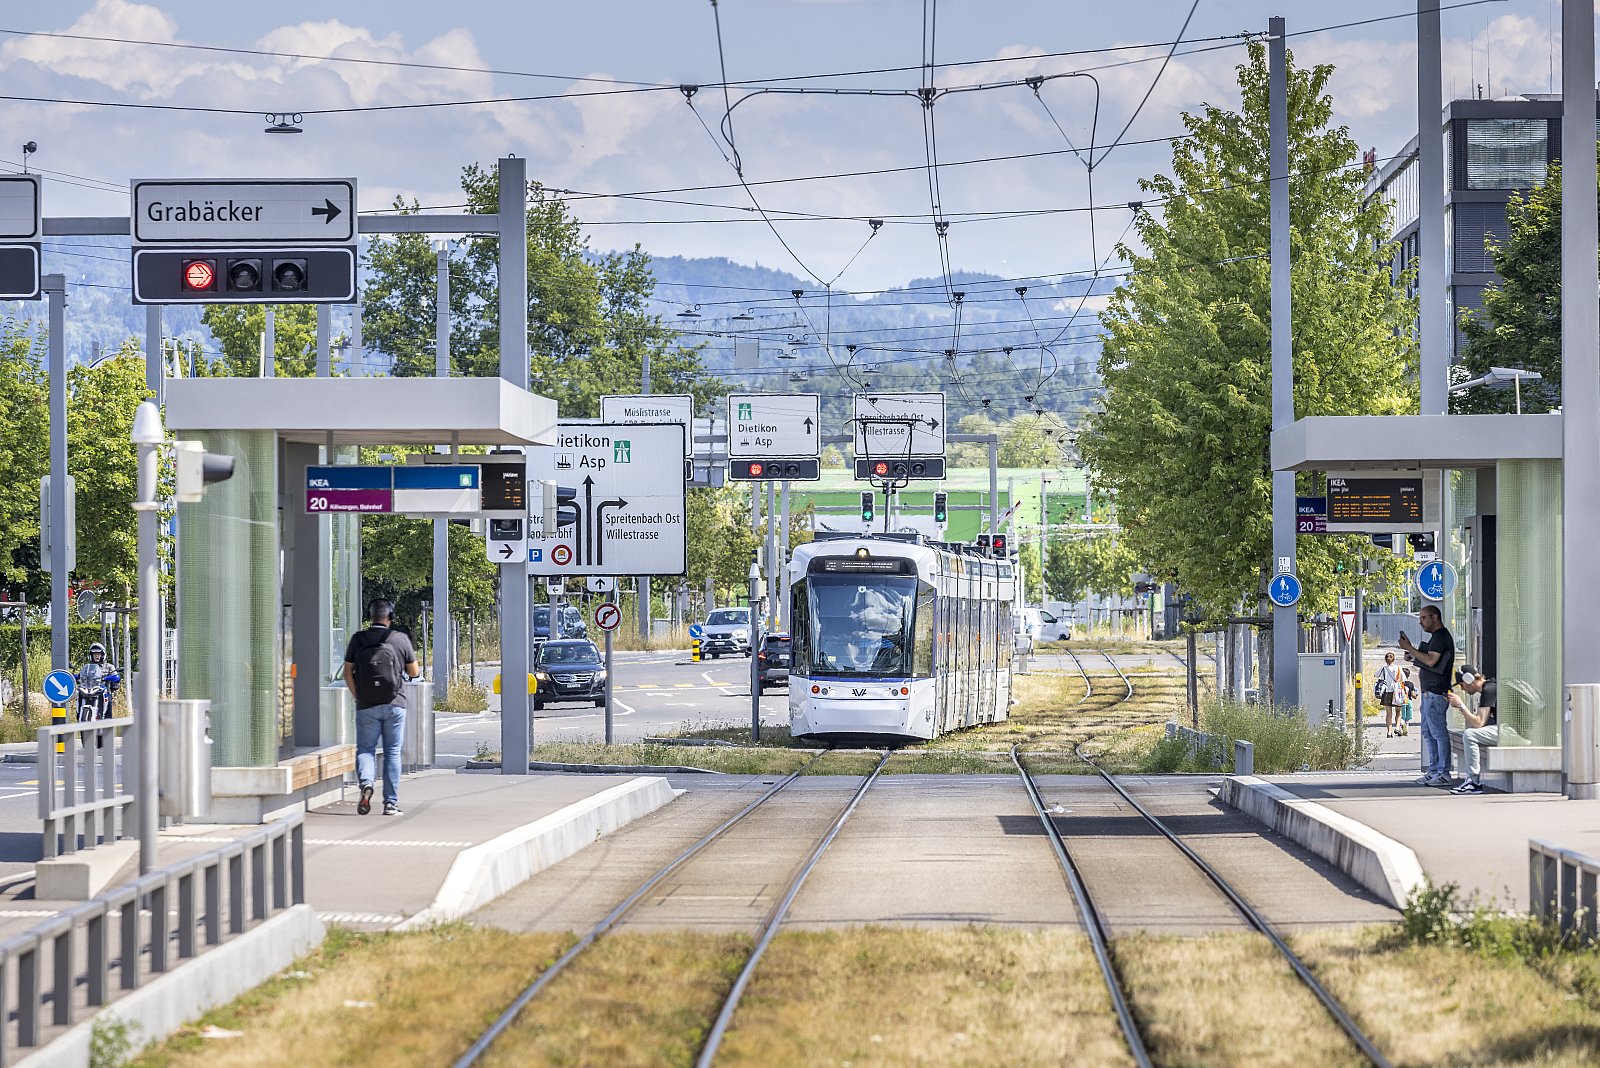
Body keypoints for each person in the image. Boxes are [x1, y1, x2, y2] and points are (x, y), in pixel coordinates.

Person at [343, 599, 420, 816]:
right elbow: (414, 672)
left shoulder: (358, 639)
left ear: (369, 617)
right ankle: (390, 804)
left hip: (366, 704)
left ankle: (367, 783)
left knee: (366, 749)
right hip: (395, 703)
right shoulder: (399, 639)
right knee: (392, 752)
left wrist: (358, 695)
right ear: (390, 617)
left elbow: (347, 672)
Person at [1398, 605, 1455, 787]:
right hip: (1429, 693)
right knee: (1428, 733)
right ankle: (1434, 771)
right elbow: (1429, 661)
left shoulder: (1440, 637)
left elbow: (1431, 660)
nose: (1420, 622)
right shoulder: (1436, 638)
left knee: (1438, 733)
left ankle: (1443, 772)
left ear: (1434, 617)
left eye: (1423, 618)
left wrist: (1410, 648)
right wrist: (1413, 656)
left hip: (1436, 692)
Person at [1447, 665, 1496, 795]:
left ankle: (1473, 782)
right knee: (1471, 733)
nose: (1462, 688)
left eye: (1462, 685)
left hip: (1513, 732)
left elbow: (1478, 723)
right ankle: (1472, 781)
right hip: (1510, 730)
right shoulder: (1490, 687)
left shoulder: (1489, 690)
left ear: (1468, 680)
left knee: (1470, 734)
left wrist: (1461, 705)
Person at [1375, 651, 1403, 737]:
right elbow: (1403, 679)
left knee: (1388, 713)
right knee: (1398, 712)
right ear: (1394, 659)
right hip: (1397, 692)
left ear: (1385, 659)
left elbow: (1376, 675)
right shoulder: (1398, 668)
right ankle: (1397, 727)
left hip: (1386, 692)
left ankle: (1389, 732)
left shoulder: (1383, 668)